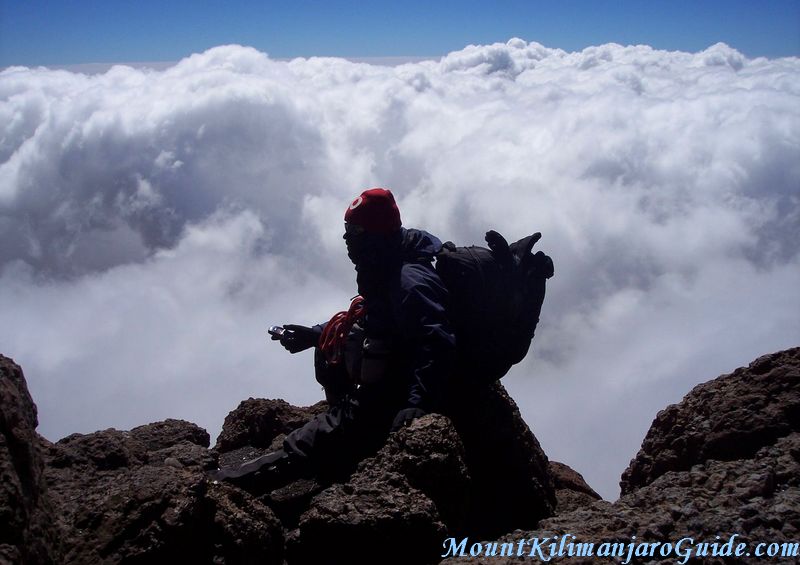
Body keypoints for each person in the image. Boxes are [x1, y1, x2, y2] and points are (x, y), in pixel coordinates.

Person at [212, 188, 456, 492]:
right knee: (331, 347)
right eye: (347, 228)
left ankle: (231, 483)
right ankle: (347, 430)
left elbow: (437, 342)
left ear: (376, 233)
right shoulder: (387, 259)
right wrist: (315, 334)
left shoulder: (409, 281)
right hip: (395, 360)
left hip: (400, 384)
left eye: (355, 231)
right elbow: (375, 316)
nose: (346, 238)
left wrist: (417, 404)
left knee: (317, 438)